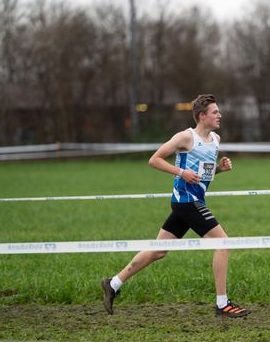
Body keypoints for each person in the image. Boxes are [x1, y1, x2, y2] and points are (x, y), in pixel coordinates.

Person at [101, 94, 251, 318]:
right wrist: (181, 172)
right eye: (215, 112)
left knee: (158, 251)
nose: (220, 115)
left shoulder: (216, 140)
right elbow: (154, 160)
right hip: (186, 202)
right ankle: (222, 304)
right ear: (202, 116)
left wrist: (220, 169)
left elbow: (201, 175)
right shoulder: (185, 137)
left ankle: (112, 283)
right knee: (223, 243)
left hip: (192, 202)